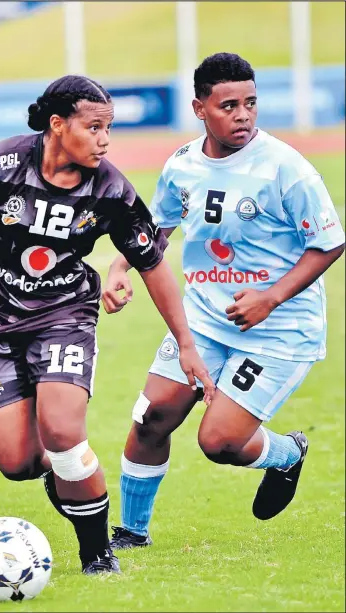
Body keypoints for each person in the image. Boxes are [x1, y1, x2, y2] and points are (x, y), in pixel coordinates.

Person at [0, 75, 215, 575]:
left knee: (63, 431)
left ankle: (96, 554)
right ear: (57, 124)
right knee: (16, 462)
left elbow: (153, 265)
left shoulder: (110, 189)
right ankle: (63, 475)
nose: (105, 139)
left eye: (109, 128)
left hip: (62, 317)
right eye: (94, 127)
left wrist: (186, 343)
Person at [103, 53, 345, 550]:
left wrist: (271, 299)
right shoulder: (183, 164)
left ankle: (286, 454)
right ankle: (132, 531)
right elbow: (158, 230)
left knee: (219, 442)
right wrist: (121, 266)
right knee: (152, 418)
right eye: (229, 105)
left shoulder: (286, 168)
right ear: (199, 108)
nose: (243, 115)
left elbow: (330, 241)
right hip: (204, 321)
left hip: (280, 329)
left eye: (251, 103)